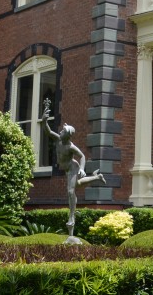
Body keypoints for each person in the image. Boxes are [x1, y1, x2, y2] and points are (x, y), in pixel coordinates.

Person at [40, 101, 105, 238]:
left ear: (68, 135)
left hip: (72, 168)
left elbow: (81, 156)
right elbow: (47, 131)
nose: (60, 131)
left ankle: (71, 218)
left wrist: (81, 169)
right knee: (78, 184)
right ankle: (97, 177)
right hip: (66, 169)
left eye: (63, 131)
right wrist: (44, 120)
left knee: (71, 191)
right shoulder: (58, 139)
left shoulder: (70, 146)